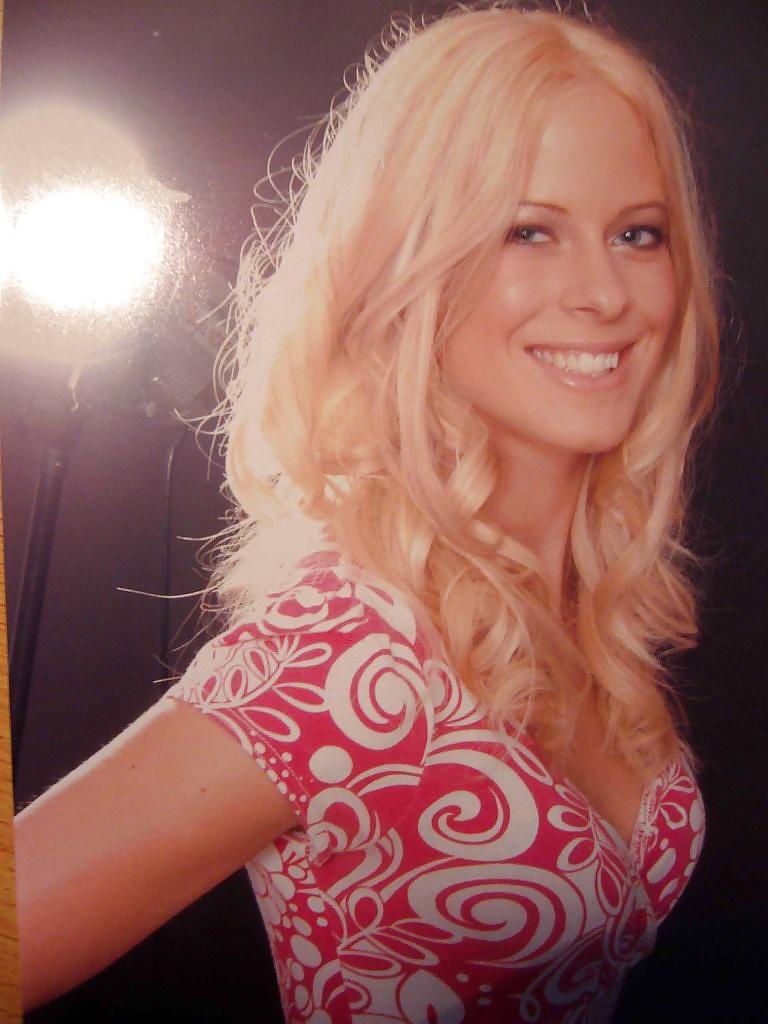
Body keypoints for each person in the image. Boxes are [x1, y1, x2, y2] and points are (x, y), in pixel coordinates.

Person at [14, 3, 719, 1022]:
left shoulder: (587, 616)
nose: (605, 293)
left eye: (637, 235)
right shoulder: (342, 653)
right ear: (410, 263)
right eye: (529, 231)